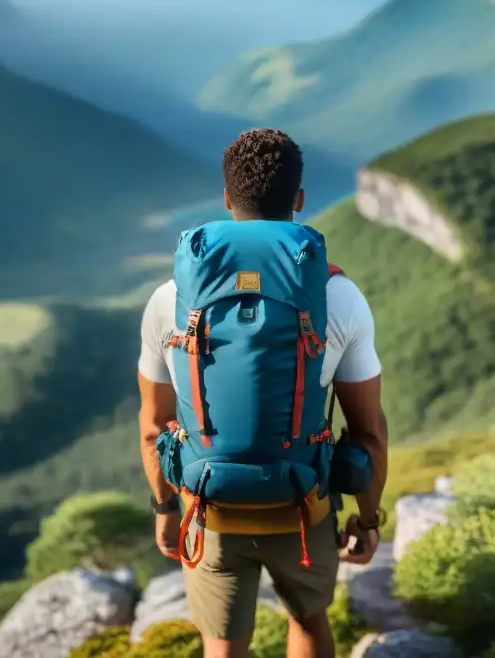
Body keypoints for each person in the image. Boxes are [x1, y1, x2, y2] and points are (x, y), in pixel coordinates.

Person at [137, 128, 388, 658]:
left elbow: (153, 426)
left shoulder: (169, 300)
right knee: (309, 618)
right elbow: (368, 434)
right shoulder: (338, 297)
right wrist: (366, 519)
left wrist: (164, 506)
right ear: (299, 201)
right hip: (304, 507)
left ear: (227, 200)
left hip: (209, 507)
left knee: (223, 646)